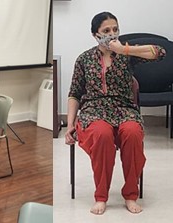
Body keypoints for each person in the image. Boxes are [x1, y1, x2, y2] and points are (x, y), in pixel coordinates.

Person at [65, 12, 166, 215]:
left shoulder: (127, 55)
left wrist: (125, 49)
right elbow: (74, 94)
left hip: (124, 108)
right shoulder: (84, 59)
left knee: (132, 133)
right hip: (94, 110)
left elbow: (160, 52)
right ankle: (101, 195)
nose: (112, 34)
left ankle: (130, 194)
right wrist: (69, 125)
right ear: (95, 35)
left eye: (115, 29)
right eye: (106, 31)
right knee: (101, 135)